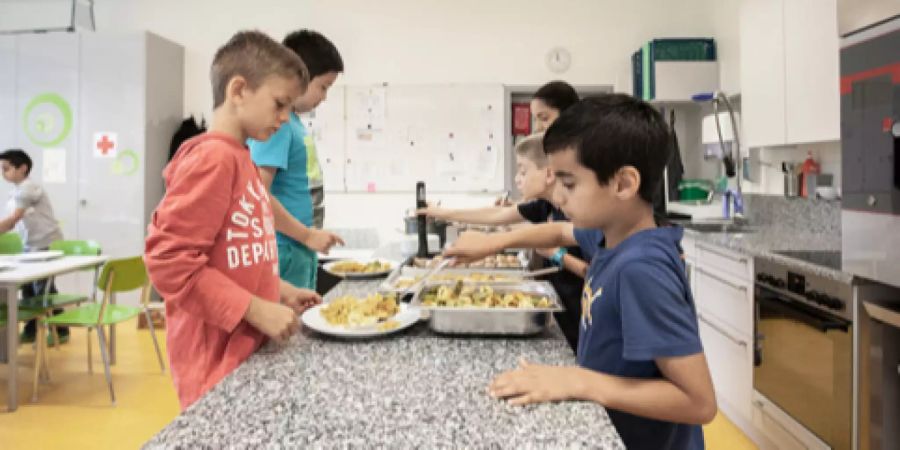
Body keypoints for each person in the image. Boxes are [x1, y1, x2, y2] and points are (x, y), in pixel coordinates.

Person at [446, 94, 716, 449]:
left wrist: (580, 381)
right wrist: (493, 242)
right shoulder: (612, 235)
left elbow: (699, 402)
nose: (557, 196)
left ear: (623, 184)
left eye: (569, 183)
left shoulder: (641, 269)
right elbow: (558, 231)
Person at [145, 31, 322, 409]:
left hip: (244, 354)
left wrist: (279, 289)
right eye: (279, 104)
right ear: (238, 89)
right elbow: (170, 263)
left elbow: (235, 256)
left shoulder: (241, 159)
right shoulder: (214, 159)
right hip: (215, 366)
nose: (284, 118)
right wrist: (256, 309)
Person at [418, 134, 586, 351]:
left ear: (549, 174)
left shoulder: (579, 214)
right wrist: (443, 212)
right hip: (562, 309)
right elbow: (496, 214)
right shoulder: (545, 206)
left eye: (523, 171)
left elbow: (592, 269)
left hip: (579, 311)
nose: (517, 179)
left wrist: (554, 253)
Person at [249, 29, 345, 291]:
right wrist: (306, 234)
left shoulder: (293, 125)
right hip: (285, 247)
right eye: (322, 87)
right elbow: (257, 194)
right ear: (298, 77)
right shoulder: (277, 127)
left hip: (299, 246)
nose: (324, 97)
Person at [0, 148, 67, 344]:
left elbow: (13, 219)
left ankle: (60, 330)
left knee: (43, 288)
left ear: (23, 168)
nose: (3, 173)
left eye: (6, 168)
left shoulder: (28, 188)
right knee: (28, 287)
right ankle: (31, 328)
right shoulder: (17, 190)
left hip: (46, 243)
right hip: (30, 245)